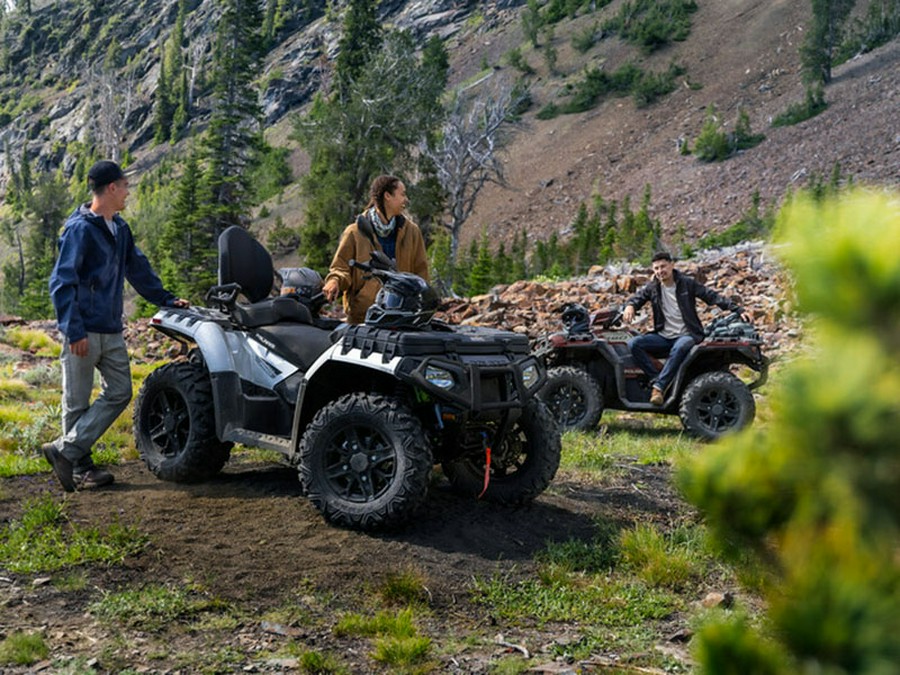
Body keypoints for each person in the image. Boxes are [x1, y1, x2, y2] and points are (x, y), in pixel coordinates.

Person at [43, 160, 189, 492]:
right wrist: (74, 330)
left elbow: (137, 269)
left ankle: (64, 451)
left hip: (110, 329)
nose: (127, 193)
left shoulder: (120, 229)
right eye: (125, 186)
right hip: (82, 330)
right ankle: (80, 469)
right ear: (111, 188)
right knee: (76, 403)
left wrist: (165, 299)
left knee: (121, 390)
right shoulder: (79, 229)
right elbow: (61, 283)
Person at [622, 251, 750, 406]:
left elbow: (711, 296)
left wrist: (737, 309)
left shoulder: (686, 283)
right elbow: (638, 298)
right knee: (634, 344)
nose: (660, 271)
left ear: (672, 265)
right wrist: (630, 306)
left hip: (688, 334)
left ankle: (659, 387)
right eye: (656, 268)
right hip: (663, 336)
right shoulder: (653, 287)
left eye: (663, 266)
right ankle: (657, 379)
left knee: (680, 347)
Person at [322, 175, 429, 324]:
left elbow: (421, 273)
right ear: (387, 196)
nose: (406, 199)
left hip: (402, 318)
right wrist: (334, 281)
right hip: (362, 318)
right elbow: (341, 267)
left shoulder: (412, 232)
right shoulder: (354, 232)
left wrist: (424, 304)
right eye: (402, 194)